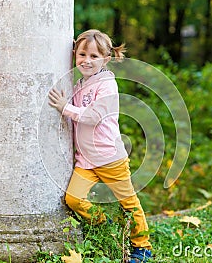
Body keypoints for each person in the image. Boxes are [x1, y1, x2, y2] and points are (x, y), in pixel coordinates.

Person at [48, 29, 152, 263]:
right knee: (73, 200)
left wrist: (65, 107)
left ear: (106, 59)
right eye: (82, 54)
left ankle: (142, 247)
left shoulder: (107, 86)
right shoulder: (80, 84)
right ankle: (105, 225)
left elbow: (94, 116)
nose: (87, 60)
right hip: (85, 160)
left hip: (109, 158)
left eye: (94, 56)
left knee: (129, 203)